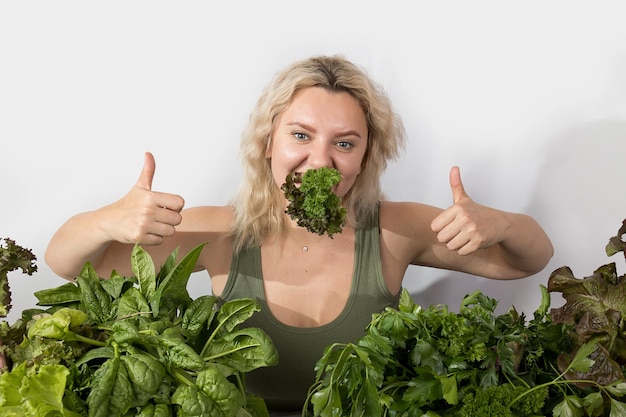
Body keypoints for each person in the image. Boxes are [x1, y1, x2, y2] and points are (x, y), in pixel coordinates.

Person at [45, 55, 554, 414]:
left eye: (345, 143)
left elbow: (524, 260)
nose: (320, 161)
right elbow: (72, 265)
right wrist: (106, 220)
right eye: (301, 135)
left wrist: (505, 224)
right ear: (268, 142)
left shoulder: (395, 229)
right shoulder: (223, 231)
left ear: (365, 157)